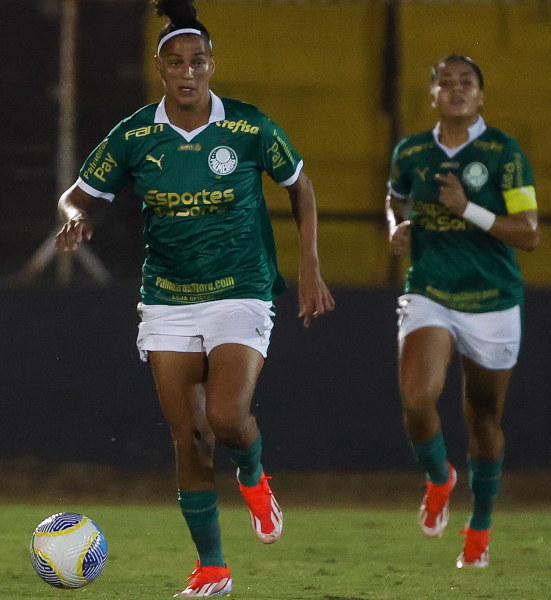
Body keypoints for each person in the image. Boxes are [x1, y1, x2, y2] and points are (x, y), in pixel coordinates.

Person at [54, 0, 335, 596]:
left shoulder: (249, 127)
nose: (187, 72)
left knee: (227, 417)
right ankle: (212, 569)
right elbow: (75, 195)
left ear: (212, 65)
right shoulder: (134, 135)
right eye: (176, 62)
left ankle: (254, 479)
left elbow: (300, 184)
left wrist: (309, 264)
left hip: (241, 290)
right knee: (190, 438)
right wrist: (74, 219)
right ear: (160, 68)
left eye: (198, 61)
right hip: (167, 299)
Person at [385, 55, 540, 569]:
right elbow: (396, 198)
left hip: (492, 300)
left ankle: (480, 524)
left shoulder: (503, 153)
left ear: (480, 95)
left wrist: (467, 208)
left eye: (466, 82)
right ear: (431, 94)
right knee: (416, 397)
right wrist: (396, 226)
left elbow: (530, 232)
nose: (455, 89)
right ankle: (438, 478)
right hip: (430, 290)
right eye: (445, 82)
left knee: (484, 420)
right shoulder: (410, 151)